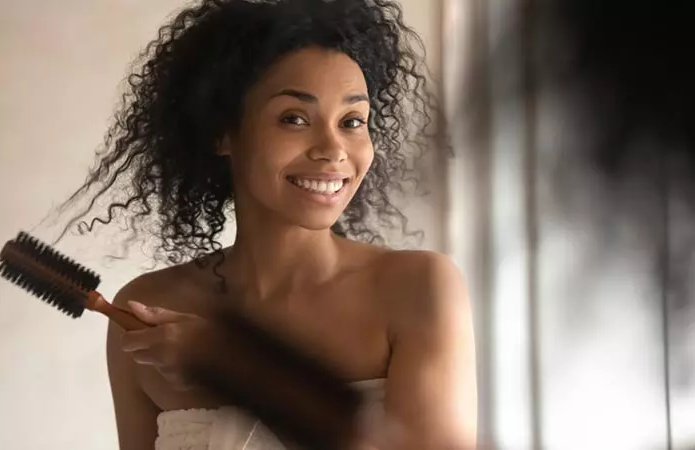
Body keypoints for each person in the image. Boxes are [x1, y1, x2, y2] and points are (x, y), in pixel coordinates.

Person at [58, 0, 477, 448]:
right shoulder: (144, 308)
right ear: (222, 132)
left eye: (353, 121)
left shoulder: (416, 289)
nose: (334, 149)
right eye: (294, 118)